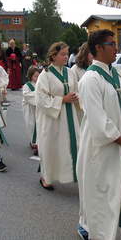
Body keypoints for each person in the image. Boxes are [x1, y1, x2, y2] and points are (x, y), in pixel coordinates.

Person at [77, 29, 121, 240]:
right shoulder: (90, 80)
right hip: (103, 150)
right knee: (104, 197)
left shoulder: (119, 73)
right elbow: (98, 119)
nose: (116, 48)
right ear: (98, 48)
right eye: (111, 44)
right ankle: (93, 231)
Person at [35, 41, 80, 190]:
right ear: (53, 56)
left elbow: (77, 89)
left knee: (69, 146)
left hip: (70, 118)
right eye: (63, 54)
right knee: (51, 147)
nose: (66, 57)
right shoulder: (45, 75)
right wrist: (63, 100)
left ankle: (72, 174)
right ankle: (46, 178)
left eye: (67, 54)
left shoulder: (70, 72)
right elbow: (41, 99)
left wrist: (76, 97)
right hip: (52, 119)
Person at [22, 66, 40, 155]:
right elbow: (27, 96)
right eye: (35, 76)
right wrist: (39, 96)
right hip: (30, 109)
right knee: (32, 125)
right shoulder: (27, 86)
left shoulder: (40, 84)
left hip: (39, 109)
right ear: (30, 76)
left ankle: (38, 143)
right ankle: (33, 142)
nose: (37, 78)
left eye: (38, 76)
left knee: (40, 125)